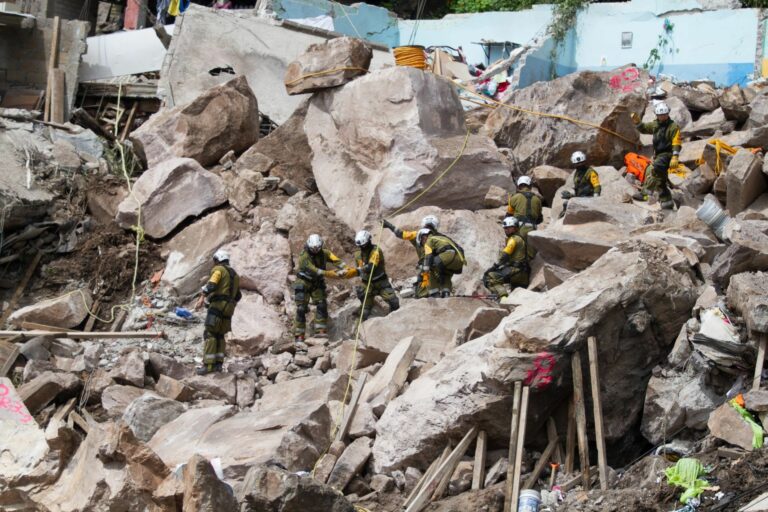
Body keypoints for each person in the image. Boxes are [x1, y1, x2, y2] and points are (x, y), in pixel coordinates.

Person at [293, 234, 349, 342]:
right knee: (301, 309)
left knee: (322, 304)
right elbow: (314, 270)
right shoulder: (304, 256)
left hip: (317, 283)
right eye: (312, 249)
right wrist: (330, 273)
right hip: (304, 282)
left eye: (317, 249)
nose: (315, 251)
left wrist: (346, 268)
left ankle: (320, 330)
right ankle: (299, 335)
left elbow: (336, 260)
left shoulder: (325, 253)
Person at [195, 249, 242, 375]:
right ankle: (218, 365)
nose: (214, 263)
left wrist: (202, 297)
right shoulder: (235, 275)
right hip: (229, 308)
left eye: (214, 260)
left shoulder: (218, 270)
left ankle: (209, 365)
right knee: (220, 335)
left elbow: (212, 285)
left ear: (218, 259)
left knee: (210, 333)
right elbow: (238, 295)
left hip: (218, 306)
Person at [630, 102, 680, 209]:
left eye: (664, 114)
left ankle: (645, 193)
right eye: (660, 115)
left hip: (667, 155)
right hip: (658, 155)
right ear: (656, 115)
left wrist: (675, 156)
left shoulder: (673, 127)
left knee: (655, 170)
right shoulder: (655, 125)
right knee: (660, 181)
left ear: (668, 113)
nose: (662, 116)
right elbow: (644, 128)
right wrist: (637, 122)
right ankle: (667, 202)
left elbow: (676, 142)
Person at [383, 215, 440, 299]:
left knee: (421, 290)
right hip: (437, 265)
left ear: (423, 224)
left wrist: (389, 225)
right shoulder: (439, 237)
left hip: (425, 266)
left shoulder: (416, 234)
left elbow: (400, 234)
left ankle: (426, 297)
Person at [348, 230, 399, 320]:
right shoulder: (357, 255)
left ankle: (392, 318)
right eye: (361, 246)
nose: (363, 248)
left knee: (394, 302)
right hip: (367, 285)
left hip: (381, 282)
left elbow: (371, 266)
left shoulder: (376, 251)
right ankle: (366, 307)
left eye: (364, 245)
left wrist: (360, 270)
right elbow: (360, 271)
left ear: (369, 241)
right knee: (365, 312)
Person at [482, 217, 530, 300]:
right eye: (505, 228)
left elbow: (504, 255)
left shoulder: (513, 239)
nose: (506, 230)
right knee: (515, 296)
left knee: (489, 277)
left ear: (514, 228)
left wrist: (495, 266)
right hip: (524, 273)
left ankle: (503, 298)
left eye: (508, 228)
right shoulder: (521, 238)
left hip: (516, 271)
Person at [418, 228, 466, 298]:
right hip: (459, 260)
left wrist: (424, 269)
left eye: (422, 242)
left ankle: (434, 293)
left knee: (431, 267)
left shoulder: (429, 239)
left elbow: (428, 255)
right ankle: (446, 292)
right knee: (446, 273)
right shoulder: (441, 238)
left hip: (448, 255)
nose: (423, 244)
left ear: (423, 237)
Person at [506, 175, 543, 258]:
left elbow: (508, 215)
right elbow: (540, 219)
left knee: (516, 252)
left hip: (518, 227)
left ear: (519, 185)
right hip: (533, 228)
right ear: (530, 186)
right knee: (530, 254)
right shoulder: (538, 200)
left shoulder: (514, 198)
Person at [560, 151, 601, 217]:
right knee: (565, 204)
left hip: (589, 198)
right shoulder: (577, 173)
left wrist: (595, 199)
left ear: (584, 162)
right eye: (577, 164)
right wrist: (571, 195)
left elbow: (597, 186)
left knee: (567, 205)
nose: (579, 165)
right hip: (581, 198)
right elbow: (580, 189)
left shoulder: (590, 172)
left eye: (581, 163)